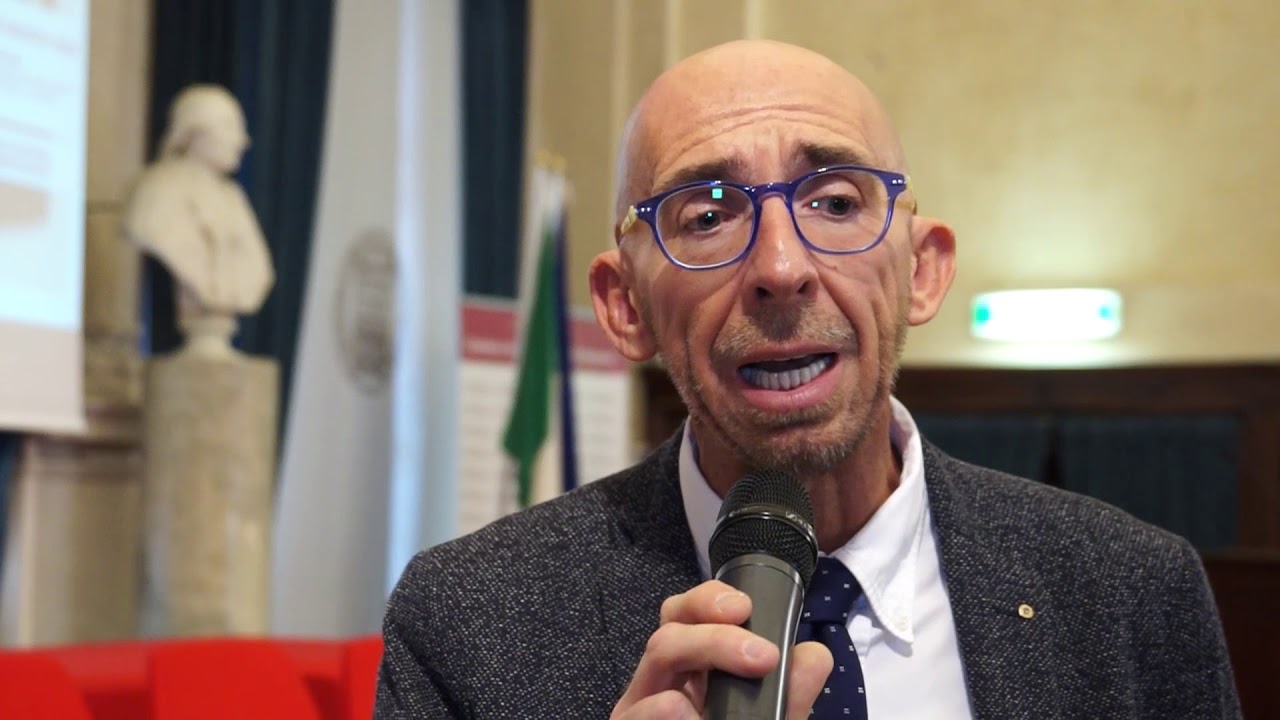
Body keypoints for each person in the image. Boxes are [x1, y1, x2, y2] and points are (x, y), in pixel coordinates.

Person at [374, 40, 1240, 719]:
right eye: (709, 215)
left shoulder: (1130, 591)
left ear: (923, 271)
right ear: (625, 304)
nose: (781, 268)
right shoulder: (471, 622)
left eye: (834, 202)